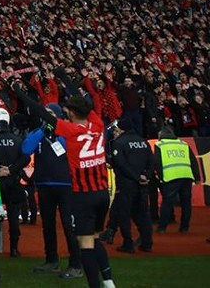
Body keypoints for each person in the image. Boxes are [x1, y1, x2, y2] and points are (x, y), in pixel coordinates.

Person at [14, 72, 116, 288]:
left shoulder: (69, 131)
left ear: (68, 113)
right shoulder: (97, 125)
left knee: (85, 242)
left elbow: (44, 112)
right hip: (102, 193)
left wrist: (21, 95)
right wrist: (64, 78)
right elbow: (82, 100)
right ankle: (108, 280)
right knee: (95, 238)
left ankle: (93, 283)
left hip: (82, 194)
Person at [21, 103, 82, 279]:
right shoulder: (39, 132)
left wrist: (55, 132)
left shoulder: (66, 131)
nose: (46, 117)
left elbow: (67, 149)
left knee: (69, 226)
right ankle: (51, 260)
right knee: (47, 225)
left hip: (65, 185)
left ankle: (75, 264)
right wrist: (42, 131)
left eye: (49, 114)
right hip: (44, 184)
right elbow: (26, 148)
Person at [0, 107, 29, 258]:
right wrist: (11, 170)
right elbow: (25, 159)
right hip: (13, 181)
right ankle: (14, 248)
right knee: (13, 216)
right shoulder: (17, 140)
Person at [110, 117, 153, 252]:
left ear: (122, 128)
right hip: (143, 184)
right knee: (143, 214)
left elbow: (121, 164)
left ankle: (128, 243)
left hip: (126, 184)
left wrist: (136, 176)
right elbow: (152, 160)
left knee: (124, 214)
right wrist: (146, 176)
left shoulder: (119, 142)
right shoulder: (143, 141)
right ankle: (147, 243)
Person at [154, 127, 200, 234]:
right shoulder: (183, 144)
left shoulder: (160, 145)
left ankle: (162, 227)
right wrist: (197, 177)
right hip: (186, 175)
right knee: (186, 203)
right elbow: (193, 161)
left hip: (171, 176)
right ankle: (184, 227)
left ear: (161, 136)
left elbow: (157, 162)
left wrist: (160, 178)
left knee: (167, 203)